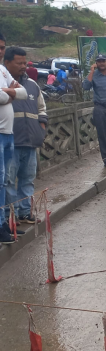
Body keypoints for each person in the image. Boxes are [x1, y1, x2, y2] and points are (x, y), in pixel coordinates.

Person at [4, 47, 46, 226]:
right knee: (7, 180)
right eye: (19, 63)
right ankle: (8, 214)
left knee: (27, 179)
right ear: (7, 63)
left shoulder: (32, 85)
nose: (23, 66)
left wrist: (41, 128)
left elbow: (42, 108)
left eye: (24, 63)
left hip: (30, 140)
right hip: (11, 140)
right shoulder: (4, 84)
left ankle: (25, 212)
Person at [0, 42, 30, 243]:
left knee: (5, 181)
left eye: (2, 47)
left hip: (8, 133)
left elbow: (23, 93)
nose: (0, 51)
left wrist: (8, 93)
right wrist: (10, 94)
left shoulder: (2, 70)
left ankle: (3, 223)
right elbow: (2, 98)